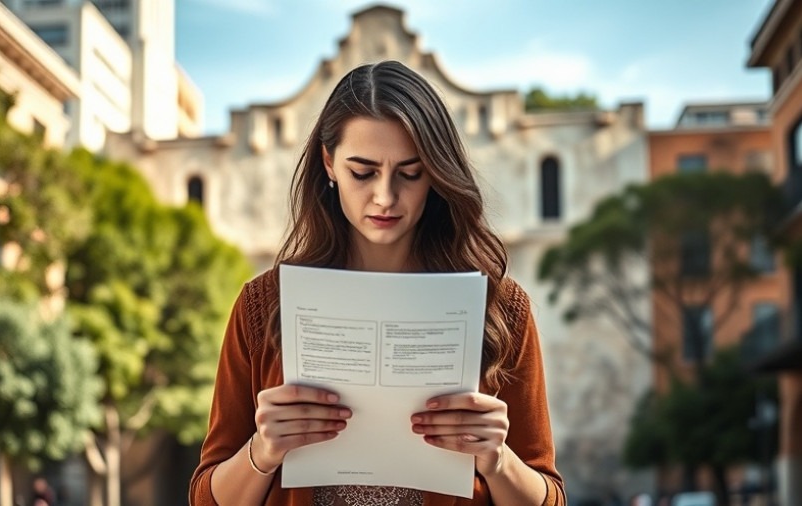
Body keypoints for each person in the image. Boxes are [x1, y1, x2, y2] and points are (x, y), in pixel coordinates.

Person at [189, 60, 565, 505]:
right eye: (362, 172)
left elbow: (550, 497)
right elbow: (205, 497)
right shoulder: (264, 304)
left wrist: (496, 459)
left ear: (437, 174)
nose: (385, 196)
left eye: (410, 173)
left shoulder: (498, 309)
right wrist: (263, 452)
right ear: (328, 164)